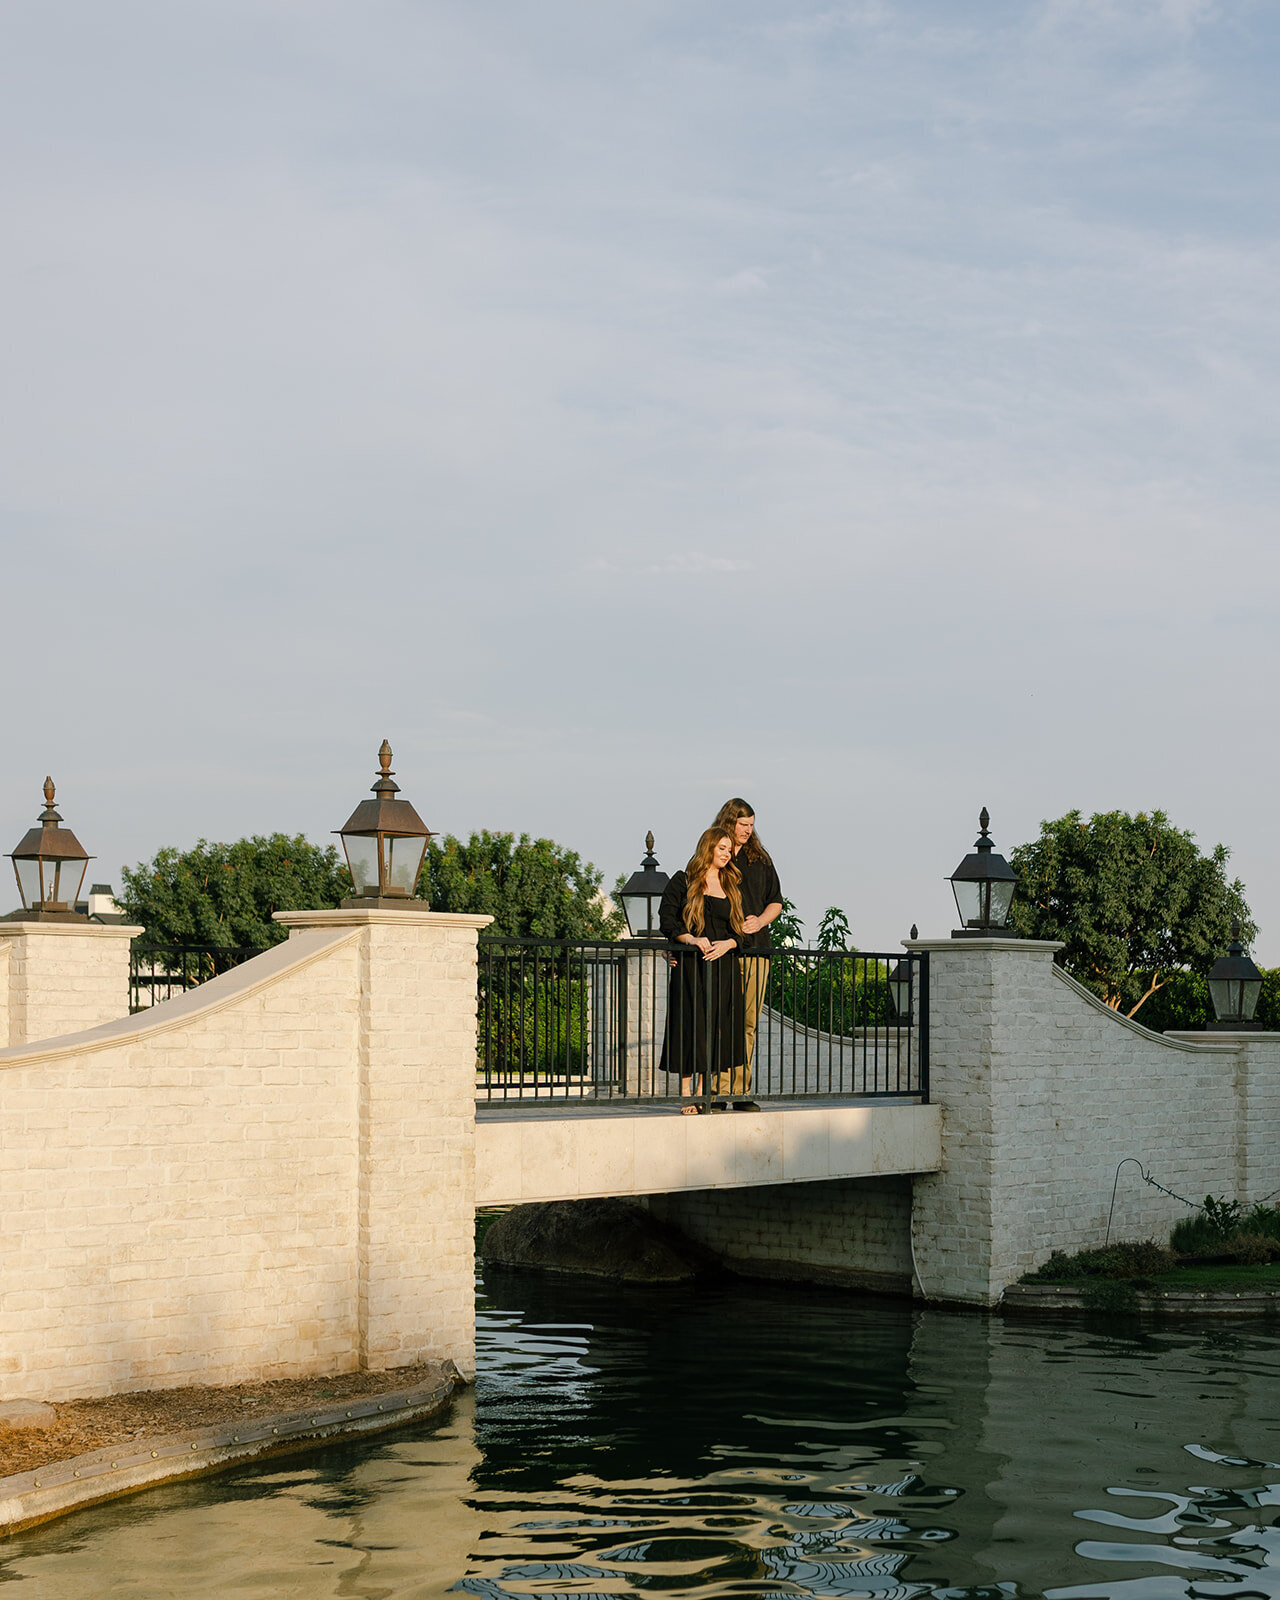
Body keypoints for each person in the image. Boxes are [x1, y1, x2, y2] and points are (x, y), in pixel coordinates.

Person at [658, 826, 747, 1113]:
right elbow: (668, 921)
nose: (727, 853)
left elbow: (741, 931)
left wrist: (729, 944)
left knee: (716, 1028)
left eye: (729, 849)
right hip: (690, 966)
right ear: (708, 846)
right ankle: (686, 1094)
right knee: (690, 1024)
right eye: (722, 847)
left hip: (723, 967)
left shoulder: (731, 885)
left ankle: (702, 1092)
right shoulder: (682, 881)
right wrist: (691, 940)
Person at [711, 799, 783, 1106]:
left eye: (751, 825)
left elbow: (777, 902)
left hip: (756, 952)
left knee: (748, 1023)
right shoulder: (715, 855)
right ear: (729, 822)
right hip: (721, 952)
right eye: (743, 825)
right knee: (720, 1021)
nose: (748, 831)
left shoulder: (761, 859)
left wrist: (760, 921)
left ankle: (739, 1092)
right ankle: (716, 1091)